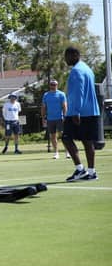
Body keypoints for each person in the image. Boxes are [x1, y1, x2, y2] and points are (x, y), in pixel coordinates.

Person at [61, 46, 100, 181]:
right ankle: (91, 172)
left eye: (67, 56)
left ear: (74, 55)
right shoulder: (88, 69)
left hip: (79, 112)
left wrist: (76, 111)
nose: (65, 59)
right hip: (91, 111)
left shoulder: (77, 71)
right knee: (88, 141)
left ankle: (80, 169)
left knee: (66, 138)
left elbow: (79, 92)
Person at [41, 79, 68, 159]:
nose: (53, 86)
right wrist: (43, 117)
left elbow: (64, 106)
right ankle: (56, 153)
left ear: (57, 85)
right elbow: (43, 107)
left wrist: (65, 116)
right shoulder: (46, 95)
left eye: (55, 84)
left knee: (63, 135)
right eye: (52, 84)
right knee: (52, 136)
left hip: (60, 118)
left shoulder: (61, 94)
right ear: (50, 85)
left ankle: (67, 152)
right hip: (50, 119)